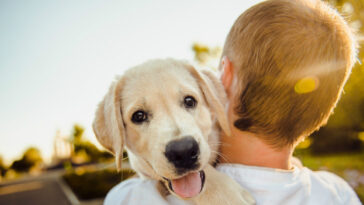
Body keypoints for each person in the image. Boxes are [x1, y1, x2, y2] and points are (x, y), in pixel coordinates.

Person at [104, 0, 361, 204]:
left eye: (189, 101)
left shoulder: (129, 198)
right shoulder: (338, 194)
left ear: (225, 76)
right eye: (140, 116)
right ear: (323, 111)